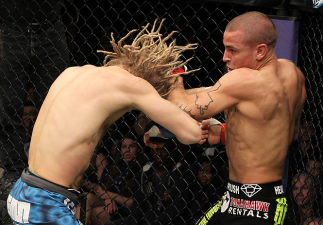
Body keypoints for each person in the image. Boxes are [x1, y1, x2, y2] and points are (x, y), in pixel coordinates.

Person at [6, 19, 206, 225]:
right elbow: (192, 134)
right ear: (152, 81)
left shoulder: (73, 73)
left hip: (25, 191)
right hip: (46, 204)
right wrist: (176, 87)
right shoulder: (134, 85)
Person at [166, 11, 306, 224]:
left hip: (259, 207)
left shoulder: (244, 80)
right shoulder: (293, 74)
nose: (225, 57)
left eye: (233, 50)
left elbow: (182, 106)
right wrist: (226, 132)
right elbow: (287, 131)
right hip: (249, 199)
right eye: (225, 48)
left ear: (260, 51)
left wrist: (174, 71)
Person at [0, 1, 70, 223]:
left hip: (49, 26)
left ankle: (53, 172)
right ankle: (13, 171)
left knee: (56, 103)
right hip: (9, 27)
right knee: (7, 104)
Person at [86, 133, 146, 225]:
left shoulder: (141, 170)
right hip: (108, 202)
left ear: (138, 149)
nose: (127, 150)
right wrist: (108, 199)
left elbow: (134, 204)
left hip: (124, 209)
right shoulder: (112, 168)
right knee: (85, 197)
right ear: (120, 149)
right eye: (124, 147)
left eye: (132, 146)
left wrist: (111, 196)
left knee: (92, 213)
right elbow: (101, 191)